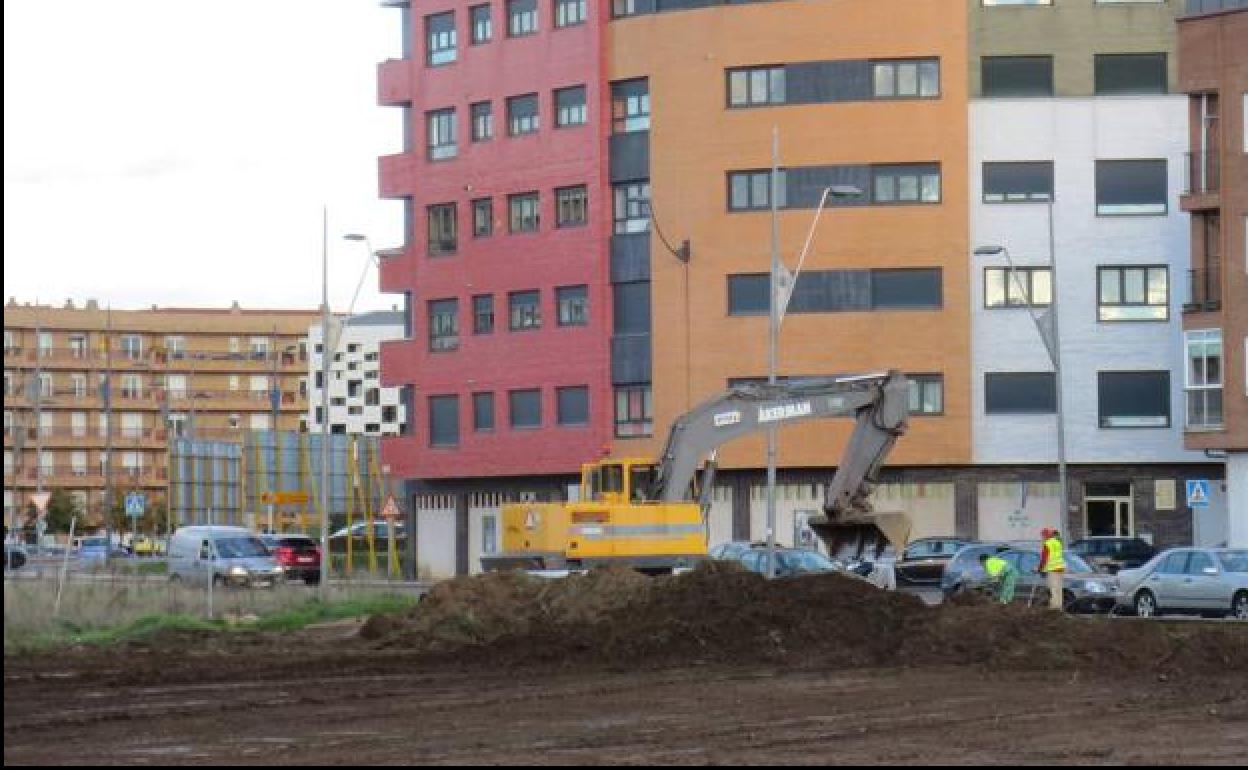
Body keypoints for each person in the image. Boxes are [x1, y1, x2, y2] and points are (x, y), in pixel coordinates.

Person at [1038, 527, 1066, 611]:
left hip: (1052, 569)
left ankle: (1054, 608)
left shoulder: (1047, 544)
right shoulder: (1058, 542)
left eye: (1043, 536)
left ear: (1046, 535)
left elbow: (1044, 558)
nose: (1042, 537)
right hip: (1060, 568)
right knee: (1059, 589)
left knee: (1053, 589)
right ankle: (1059, 607)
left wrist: (1040, 568)